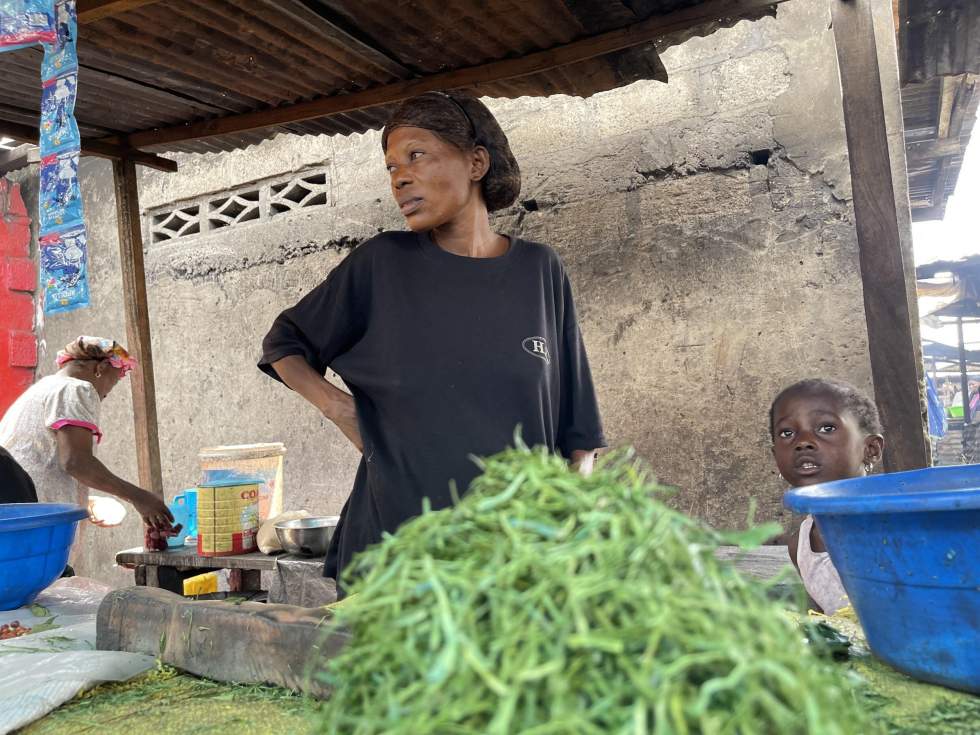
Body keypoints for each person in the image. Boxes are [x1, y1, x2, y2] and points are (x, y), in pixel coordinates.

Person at [259, 92, 605, 589]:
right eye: (391, 166)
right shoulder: (383, 263)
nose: (399, 177)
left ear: (476, 162)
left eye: (416, 155)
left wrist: (572, 539)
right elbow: (284, 342)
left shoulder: (539, 269)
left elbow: (580, 435)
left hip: (513, 561)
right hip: (398, 557)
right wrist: (342, 410)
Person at [0, 336, 173, 531]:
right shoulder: (77, 389)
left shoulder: (41, 389)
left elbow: (35, 465)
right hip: (37, 523)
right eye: (113, 383)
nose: (106, 394)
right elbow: (75, 462)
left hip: (17, 516)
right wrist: (138, 497)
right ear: (100, 369)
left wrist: (85, 502)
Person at [770, 378, 884, 614]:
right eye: (787, 432)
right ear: (775, 454)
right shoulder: (801, 548)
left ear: (870, 449)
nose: (803, 443)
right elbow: (833, 626)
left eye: (826, 428)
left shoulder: (896, 530)